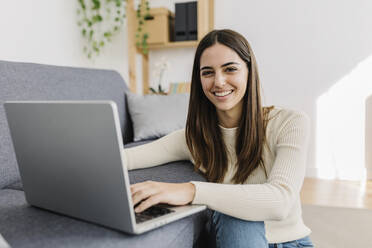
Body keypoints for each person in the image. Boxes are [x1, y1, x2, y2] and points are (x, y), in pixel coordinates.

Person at [125, 29, 314, 248]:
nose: (219, 82)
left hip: (293, 243)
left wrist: (190, 190)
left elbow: (280, 202)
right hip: (237, 236)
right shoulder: (193, 138)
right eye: (208, 72)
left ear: (249, 71)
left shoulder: (289, 122)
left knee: (235, 212)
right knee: (234, 216)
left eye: (230, 69)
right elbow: (125, 158)